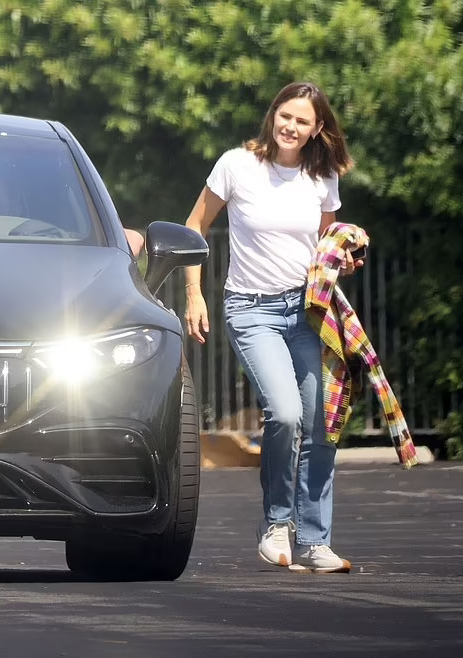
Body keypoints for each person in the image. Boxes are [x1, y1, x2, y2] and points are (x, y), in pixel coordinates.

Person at [184, 81, 364, 573]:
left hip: (308, 311)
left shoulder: (322, 176)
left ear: (317, 128)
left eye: (302, 121)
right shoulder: (237, 165)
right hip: (252, 309)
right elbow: (194, 226)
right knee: (284, 414)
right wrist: (194, 294)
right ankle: (277, 525)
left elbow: (327, 242)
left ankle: (315, 540)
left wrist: (343, 255)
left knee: (321, 422)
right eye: (286, 116)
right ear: (273, 115)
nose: (291, 126)